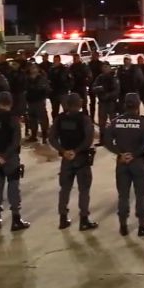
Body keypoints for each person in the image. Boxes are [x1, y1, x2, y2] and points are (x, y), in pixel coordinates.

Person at [102, 93, 144, 237]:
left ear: (125, 104)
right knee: (141, 195)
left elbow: (106, 140)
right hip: (138, 162)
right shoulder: (143, 123)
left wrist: (120, 153)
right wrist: (135, 154)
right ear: (138, 105)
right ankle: (142, 226)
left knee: (123, 195)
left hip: (122, 162)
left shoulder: (115, 122)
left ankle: (123, 226)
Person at [0, 92, 30, 231]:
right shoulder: (13, 120)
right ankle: (16, 219)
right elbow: (15, 141)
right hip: (11, 158)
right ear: (11, 103)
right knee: (13, 187)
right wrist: (5, 156)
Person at [51, 93, 97, 230]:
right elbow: (89, 139)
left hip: (66, 159)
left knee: (64, 189)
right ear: (79, 103)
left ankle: (63, 219)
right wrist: (76, 151)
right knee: (84, 190)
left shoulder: (60, 119)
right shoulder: (84, 119)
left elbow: (52, 138)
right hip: (81, 158)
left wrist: (63, 151)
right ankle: (84, 220)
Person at [91, 64, 120, 142]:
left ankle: (116, 138)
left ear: (110, 68)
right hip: (102, 102)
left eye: (106, 67)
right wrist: (99, 88)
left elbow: (117, 90)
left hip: (111, 103)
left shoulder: (113, 77)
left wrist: (108, 95)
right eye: (103, 67)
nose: (104, 69)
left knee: (113, 121)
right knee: (102, 122)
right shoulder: (99, 77)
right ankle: (102, 138)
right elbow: (93, 88)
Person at [24, 62, 51, 143]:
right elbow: (25, 89)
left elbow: (46, 89)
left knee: (43, 119)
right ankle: (33, 135)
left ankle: (45, 135)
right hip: (30, 102)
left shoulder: (41, 78)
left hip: (39, 101)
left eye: (34, 67)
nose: (33, 69)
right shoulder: (27, 79)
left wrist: (42, 95)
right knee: (32, 119)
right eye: (31, 67)